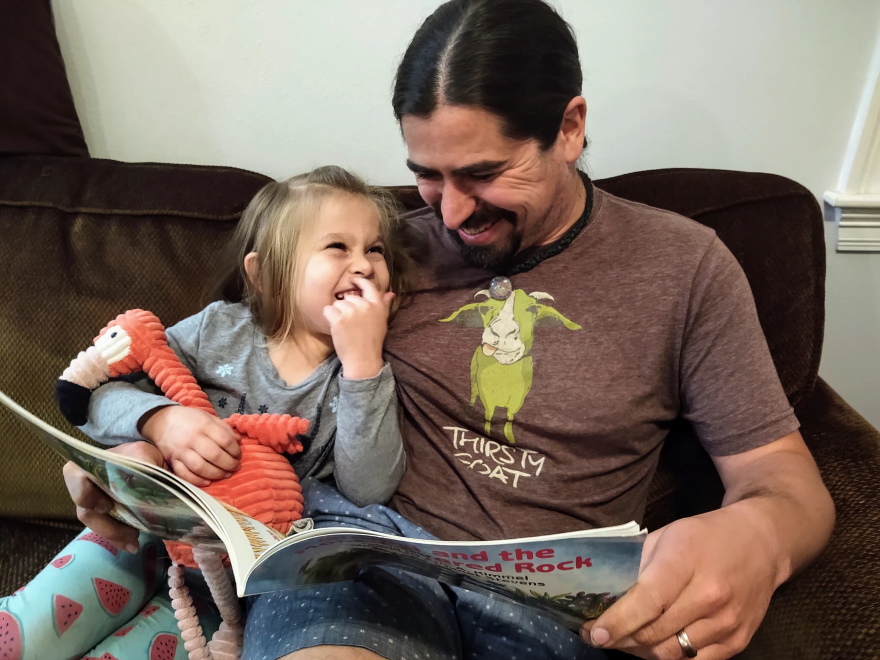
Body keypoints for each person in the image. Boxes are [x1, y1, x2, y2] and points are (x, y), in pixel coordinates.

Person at [63, 1, 836, 659]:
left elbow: (786, 485)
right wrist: (135, 454)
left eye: (484, 174)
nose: (451, 213)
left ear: (569, 129)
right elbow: (226, 369)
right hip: (364, 567)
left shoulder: (686, 267)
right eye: (429, 174)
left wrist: (755, 540)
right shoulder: (379, 255)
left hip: (549, 609)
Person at [2, 166, 412, 660]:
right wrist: (161, 420)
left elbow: (368, 489)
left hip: (229, 596)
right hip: (141, 541)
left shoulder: (363, 371)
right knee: (23, 633)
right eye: (338, 247)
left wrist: (363, 363)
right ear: (265, 276)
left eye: (375, 249)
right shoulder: (218, 330)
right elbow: (98, 395)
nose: (365, 265)